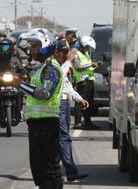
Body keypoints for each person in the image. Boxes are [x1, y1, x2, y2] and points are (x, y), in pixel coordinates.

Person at [15, 28, 63, 189]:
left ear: (46, 45)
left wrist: (20, 85)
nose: (31, 49)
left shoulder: (51, 69)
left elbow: (45, 94)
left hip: (46, 126)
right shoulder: (42, 68)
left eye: (35, 46)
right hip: (39, 125)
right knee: (44, 169)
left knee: (46, 171)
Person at [53, 39, 89, 181]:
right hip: (58, 104)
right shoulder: (54, 65)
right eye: (63, 52)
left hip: (65, 103)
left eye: (68, 52)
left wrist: (79, 98)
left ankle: (63, 171)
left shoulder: (62, 65)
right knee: (63, 138)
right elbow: (59, 77)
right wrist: (68, 61)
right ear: (56, 53)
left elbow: (67, 85)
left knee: (62, 138)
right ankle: (70, 172)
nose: (67, 55)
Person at [72, 35, 101, 129]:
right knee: (80, 102)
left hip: (89, 81)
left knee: (89, 103)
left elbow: (88, 67)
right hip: (82, 81)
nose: (88, 49)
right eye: (87, 47)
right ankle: (78, 123)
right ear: (82, 45)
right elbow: (77, 67)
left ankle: (88, 122)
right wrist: (90, 65)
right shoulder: (76, 54)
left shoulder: (86, 54)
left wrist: (95, 65)